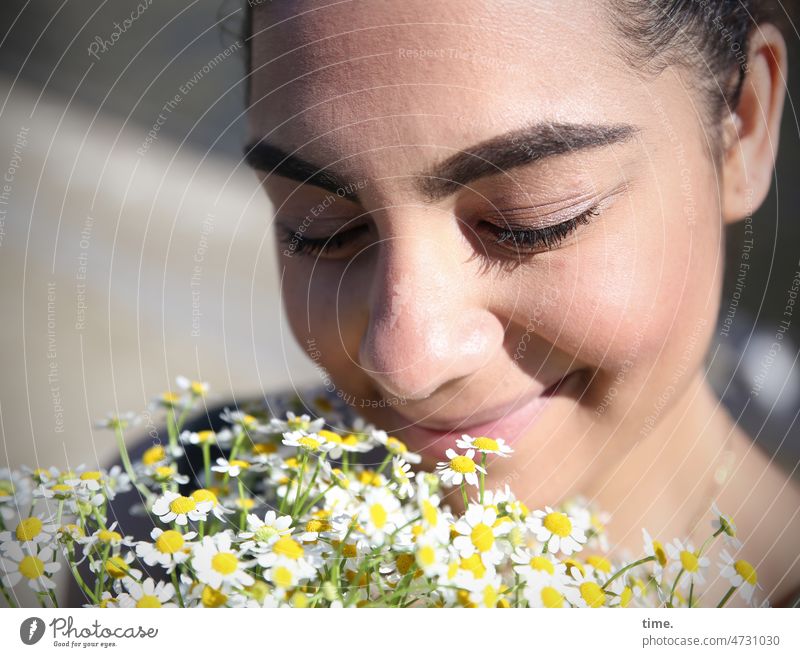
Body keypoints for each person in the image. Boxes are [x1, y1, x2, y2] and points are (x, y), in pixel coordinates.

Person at [237, 0, 800, 607]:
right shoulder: (190, 506)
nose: (406, 362)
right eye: (321, 230)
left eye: (530, 223)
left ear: (743, 128)